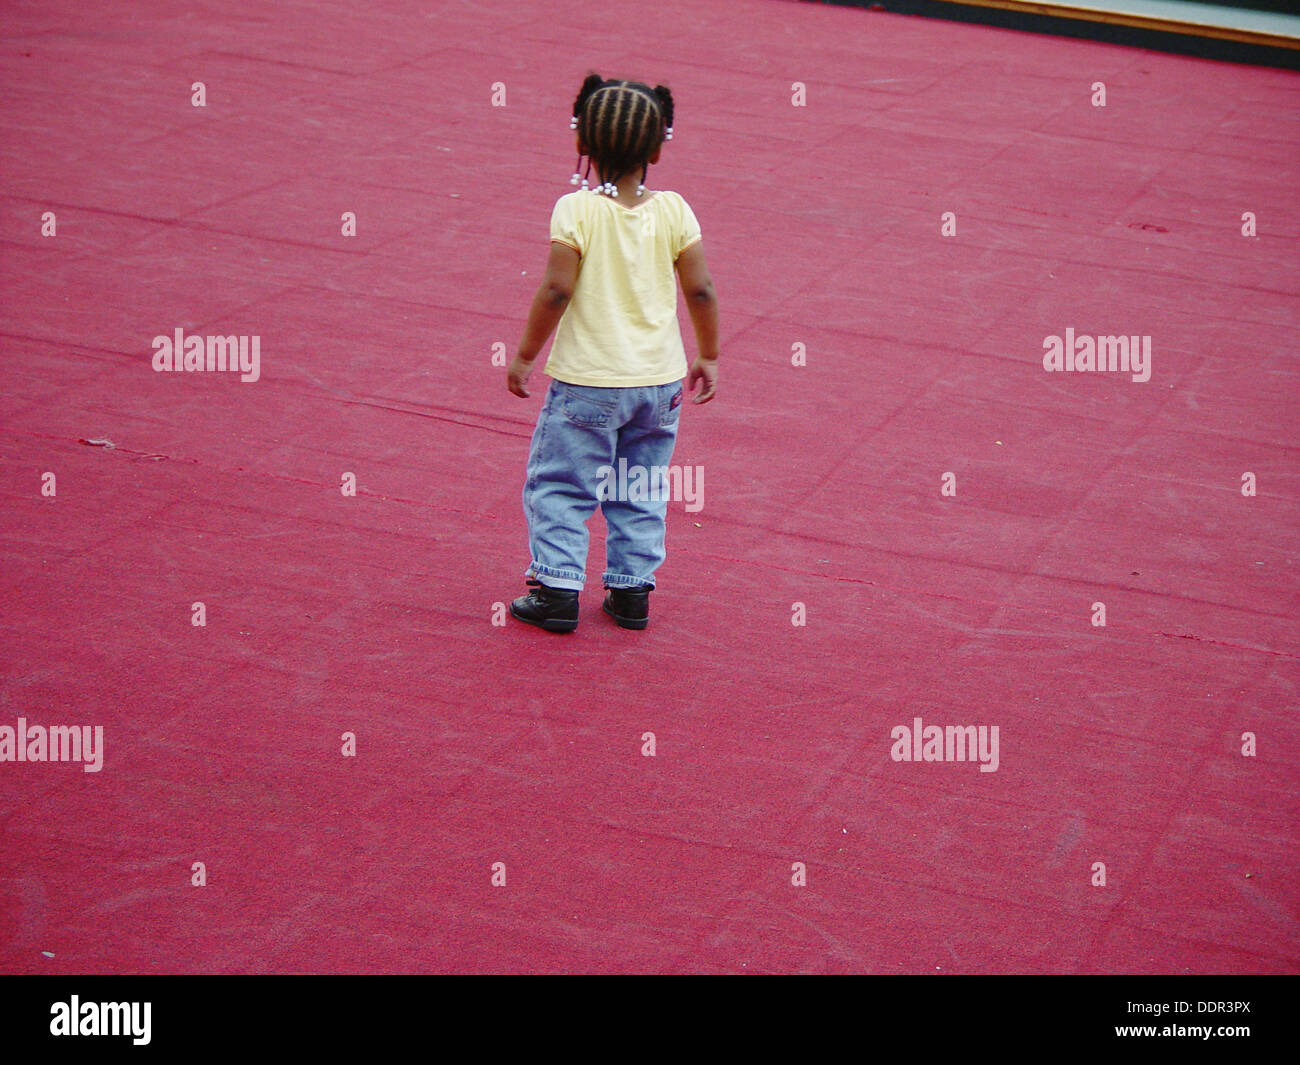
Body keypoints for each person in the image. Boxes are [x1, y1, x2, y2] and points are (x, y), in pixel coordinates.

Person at [507, 73, 719, 634]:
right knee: (640, 483)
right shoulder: (674, 210)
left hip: (588, 381)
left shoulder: (576, 211)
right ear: (656, 148)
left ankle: (556, 590)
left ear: (583, 143)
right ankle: (630, 595)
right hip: (660, 382)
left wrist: (526, 355)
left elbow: (556, 289)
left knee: (562, 481)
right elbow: (700, 289)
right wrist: (710, 354)